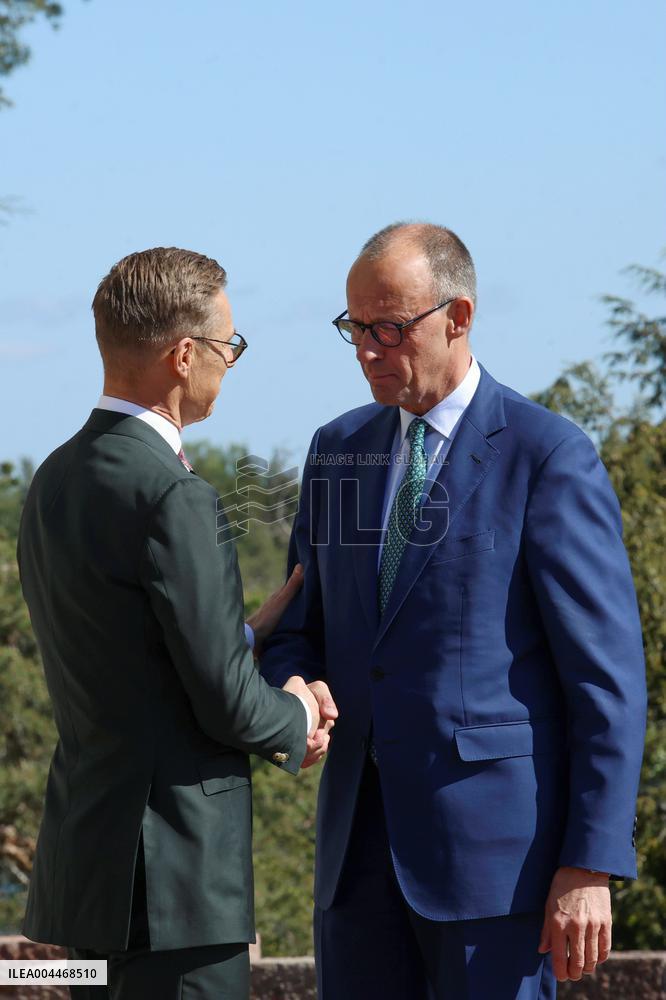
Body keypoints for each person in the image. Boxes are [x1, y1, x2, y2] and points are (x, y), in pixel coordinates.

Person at [260, 223, 647, 999]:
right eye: (354, 328)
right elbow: (297, 632)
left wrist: (590, 861)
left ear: (458, 317)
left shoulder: (548, 456)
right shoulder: (337, 450)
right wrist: (294, 685)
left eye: (388, 328)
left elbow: (606, 681)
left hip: (500, 878)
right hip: (354, 869)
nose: (367, 349)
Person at [17, 247, 336, 1000]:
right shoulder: (175, 495)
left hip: (88, 874)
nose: (230, 362)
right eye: (229, 346)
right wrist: (296, 713)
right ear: (183, 354)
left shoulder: (52, 480)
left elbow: (128, 653)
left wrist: (239, 633)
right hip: (178, 886)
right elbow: (225, 700)